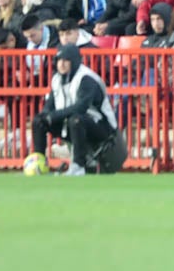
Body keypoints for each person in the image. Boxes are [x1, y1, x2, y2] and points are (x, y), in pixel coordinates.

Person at [26, 44, 119, 178]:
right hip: (71, 123)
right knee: (38, 120)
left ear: (74, 61)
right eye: (59, 60)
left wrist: (53, 116)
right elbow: (50, 104)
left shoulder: (86, 78)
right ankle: (39, 164)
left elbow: (81, 107)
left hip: (101, 127)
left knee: (76, 119)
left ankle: (78, 166)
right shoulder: (56, 79)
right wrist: (45, 116)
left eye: (66, 60)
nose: (61, 64)